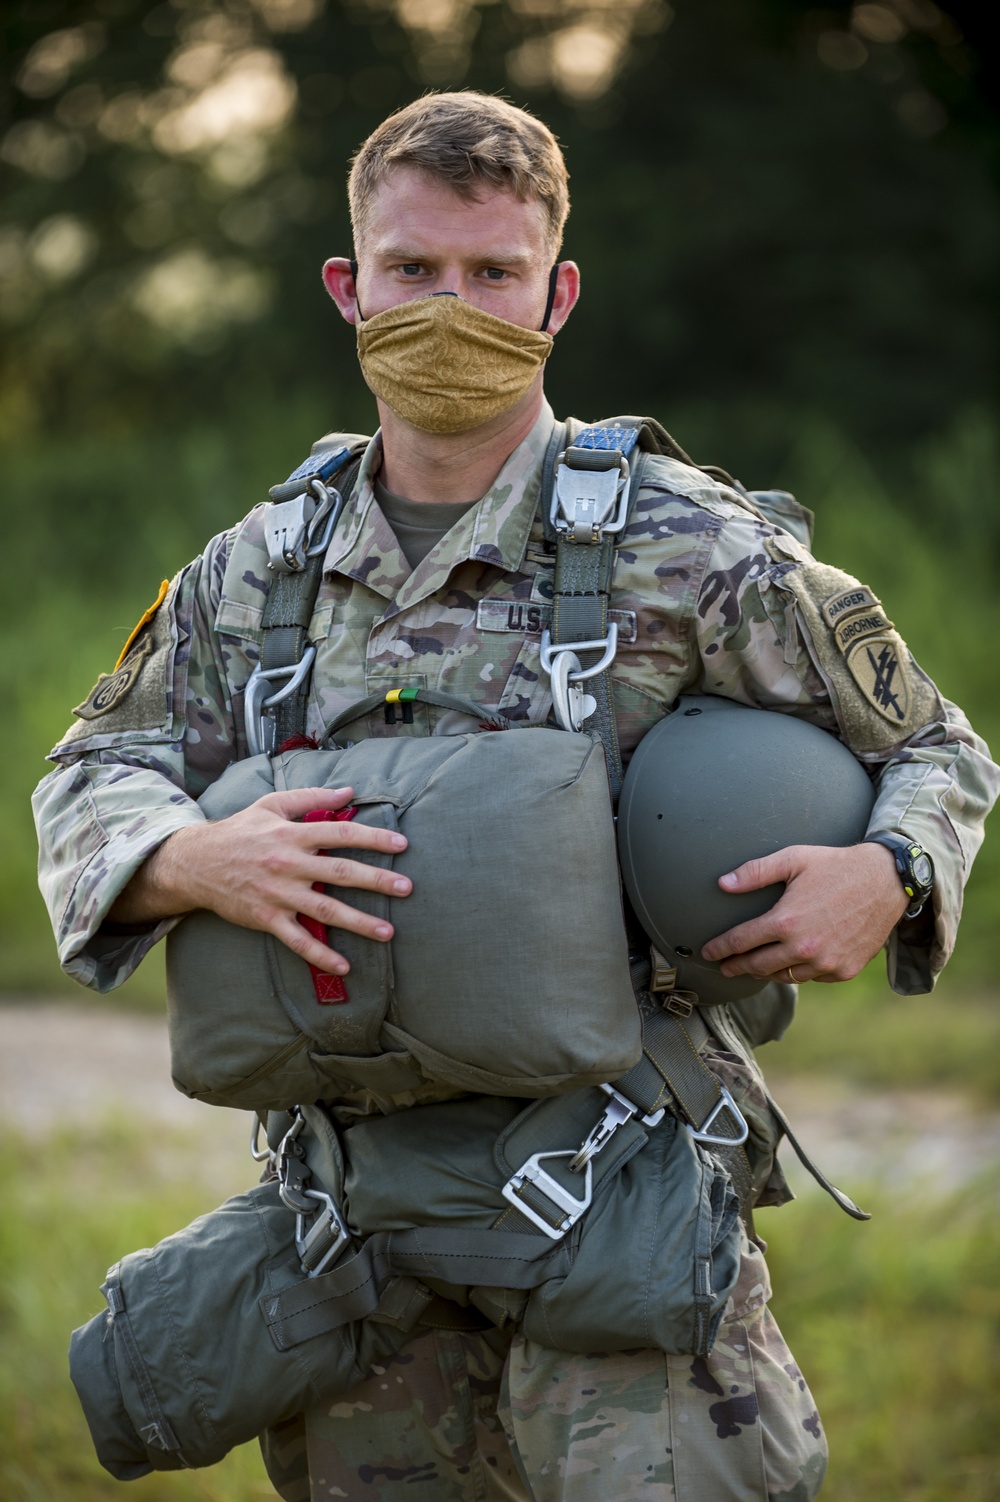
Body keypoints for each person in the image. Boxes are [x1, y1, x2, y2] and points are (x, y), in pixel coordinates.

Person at [34, 92, 997, 1502]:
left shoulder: (690, 547)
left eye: (492, 274)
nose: (450, 305)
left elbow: (940, 747)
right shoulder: (258, 571)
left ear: (558, 294)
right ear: (347, 287)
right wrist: (188, 856)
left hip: (620, 1199)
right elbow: (88, 768)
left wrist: (893, 870)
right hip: (354, 1230)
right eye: (414, 270)